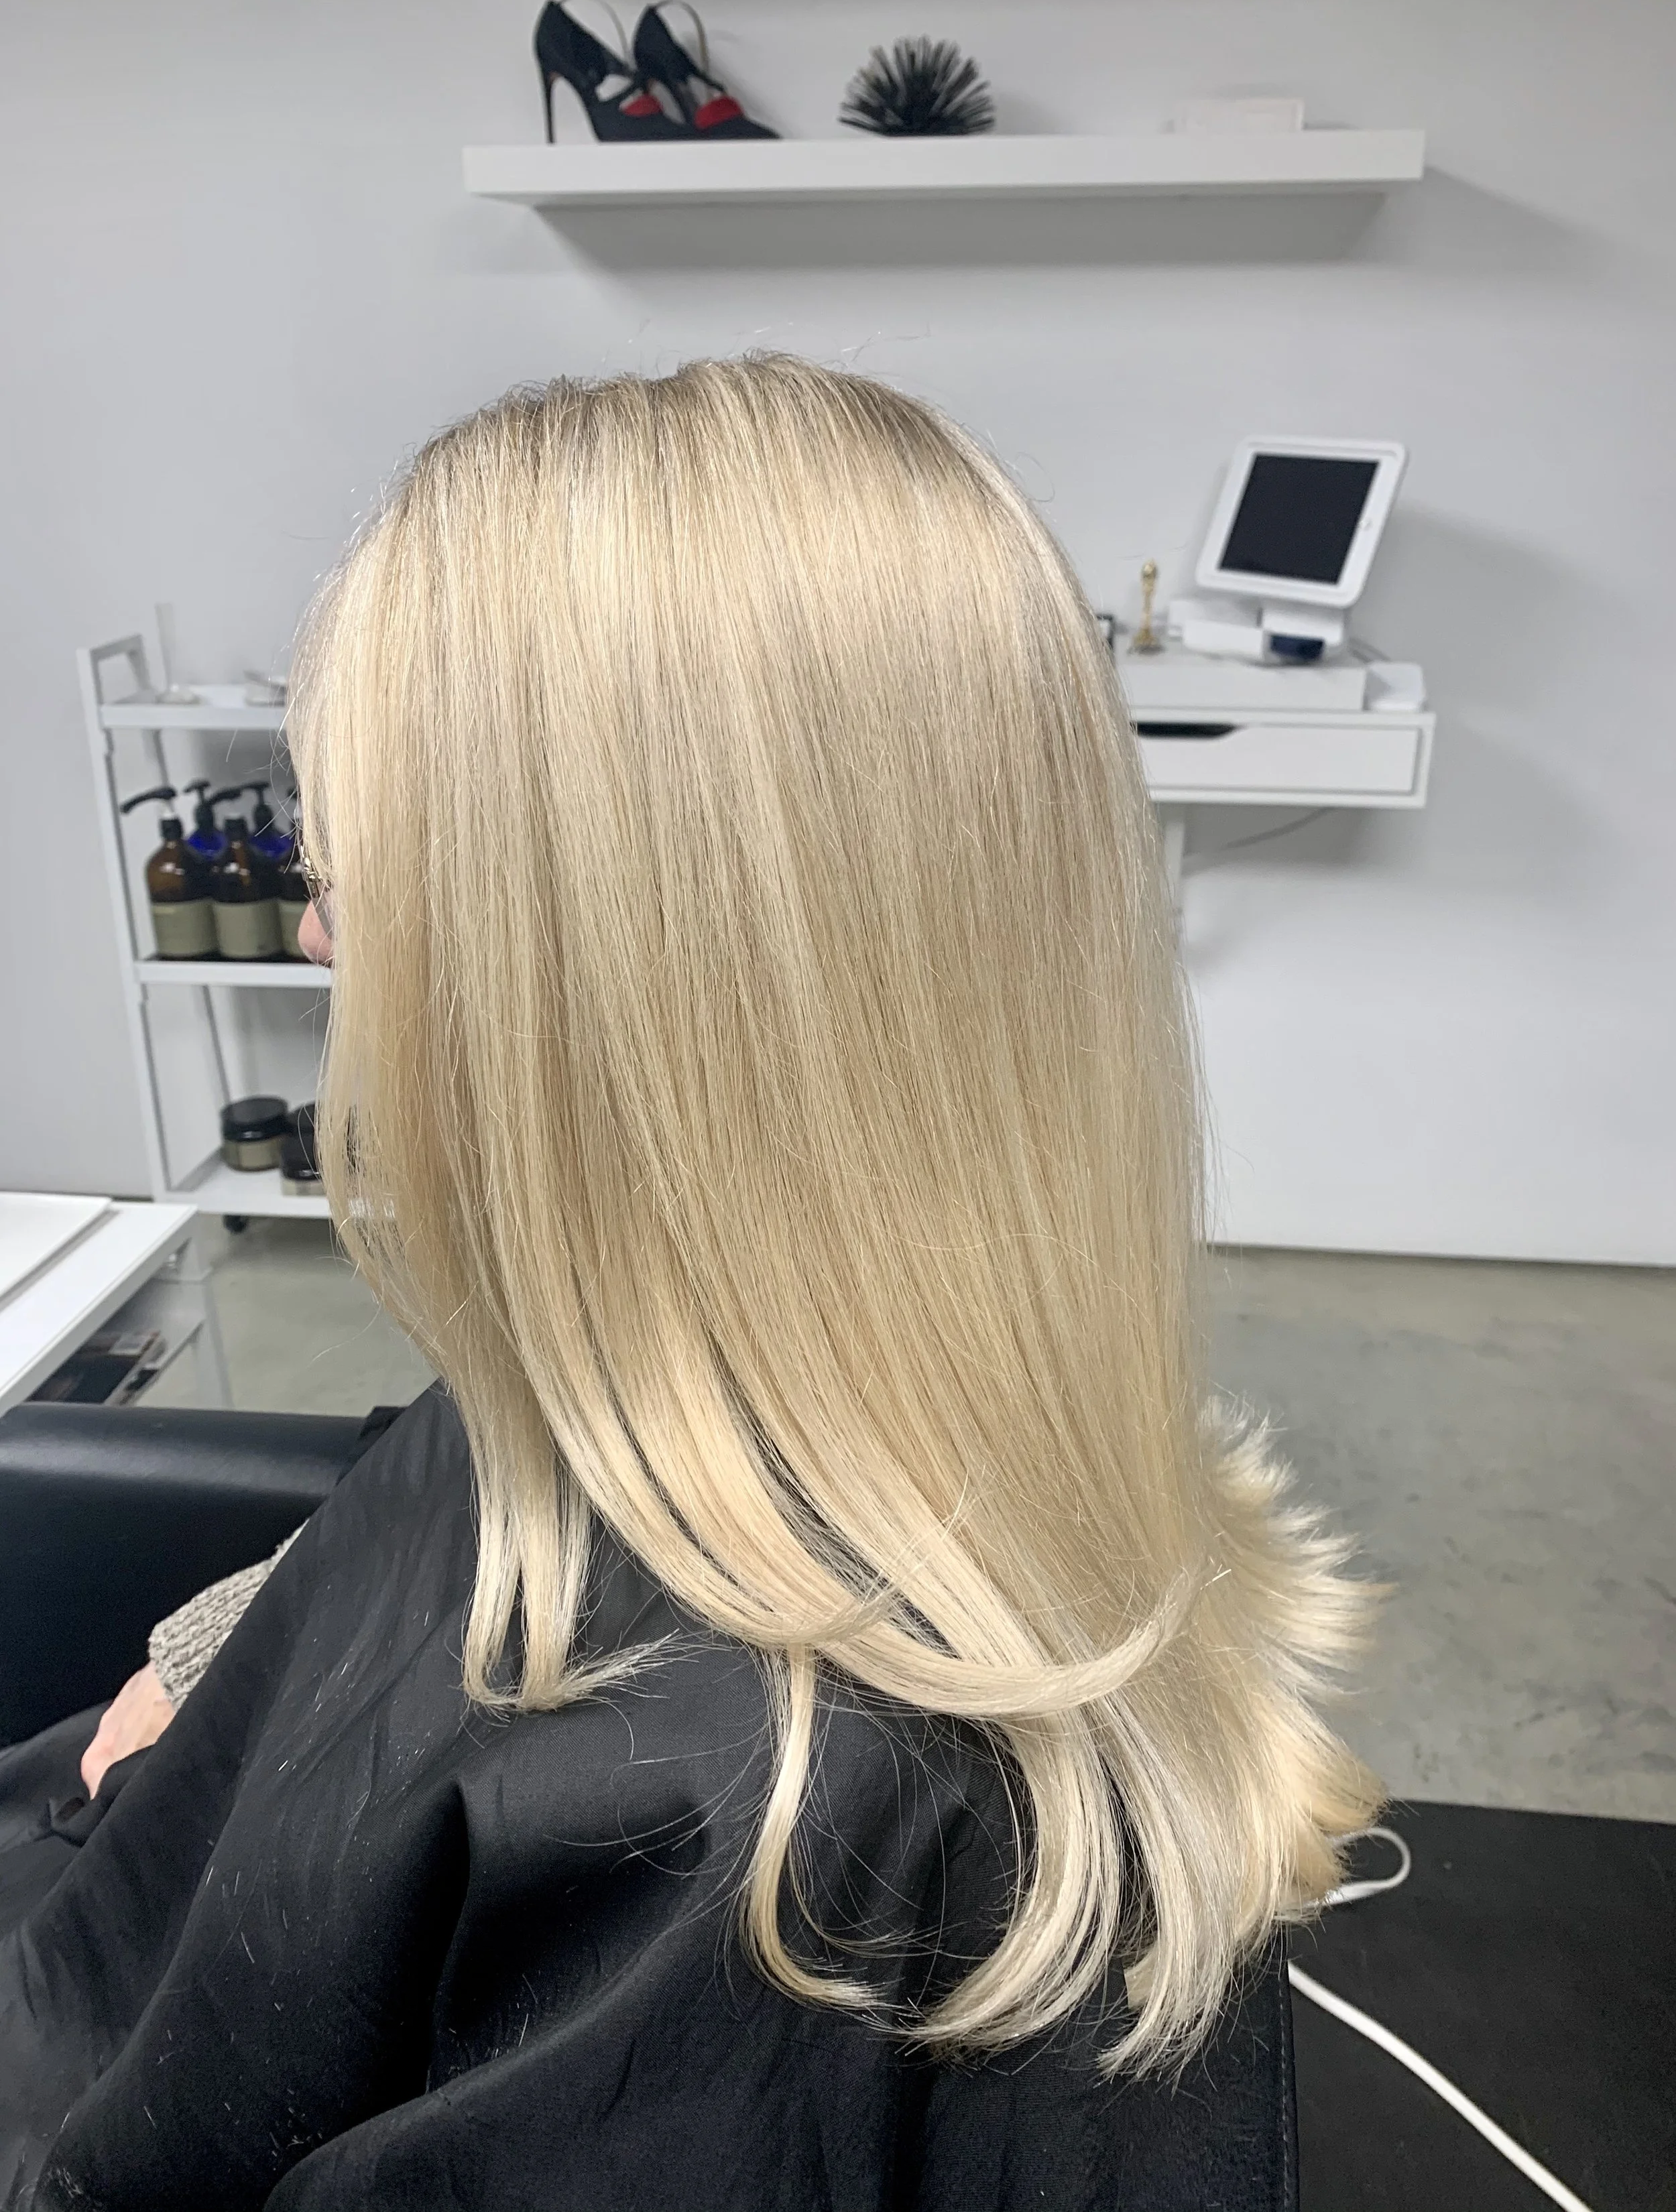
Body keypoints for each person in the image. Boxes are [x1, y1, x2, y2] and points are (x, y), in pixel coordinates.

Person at [0, 356, 1378, 2209]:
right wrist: (217, 1681)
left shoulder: (749, 1841)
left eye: (361, 871)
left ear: (595, 981)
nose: (314, 927)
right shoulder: (701, 1419)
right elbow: (392, 1606)